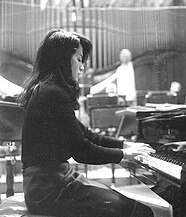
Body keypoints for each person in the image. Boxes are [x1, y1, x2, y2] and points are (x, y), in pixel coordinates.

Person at [18, 29, 154, 217]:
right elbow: (81, 150)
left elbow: (87, 136)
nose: (82, 66)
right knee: (138, 212)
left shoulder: (48, 90)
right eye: (79, 59)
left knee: (122, 201)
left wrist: (126, 144)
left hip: (49, 183)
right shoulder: (51, 93)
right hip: (49, 189)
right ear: (62, 59)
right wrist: (124, 154)